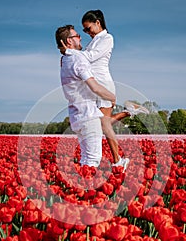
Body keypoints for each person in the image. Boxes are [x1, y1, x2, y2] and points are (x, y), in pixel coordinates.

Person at [61, 10, 148, 167]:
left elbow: (89, 57)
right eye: (84, 30)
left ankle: (118, 161)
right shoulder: (93, 41)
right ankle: (129, 112)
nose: (87, 33)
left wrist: (69, 52)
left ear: (98, 23)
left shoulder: (107, 38)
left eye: (88, 28)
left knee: (103, 124)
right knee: (101, 123)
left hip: (102, 85)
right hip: (94, 87)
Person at [55, 24, 117, 170]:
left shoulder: (64, 61)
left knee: (86, 159)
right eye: (77, 36)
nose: (80, 37)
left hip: (76, 116)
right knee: (93, 160)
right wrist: (111, 97)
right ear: (69, 41)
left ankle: (80, 189)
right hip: (88, 115)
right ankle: (86, 188)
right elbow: (94, 86)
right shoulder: (78, 59)